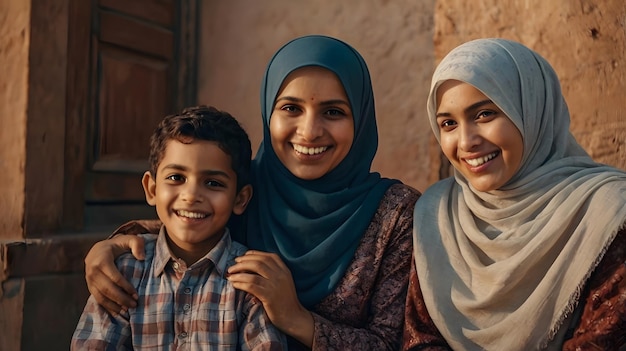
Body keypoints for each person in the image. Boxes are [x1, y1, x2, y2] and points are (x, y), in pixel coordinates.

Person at [82, 35, 421, 350]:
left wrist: (296, 318)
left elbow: (391, 344)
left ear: (360, 119)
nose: (309, 131)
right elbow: (193, 220)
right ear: (268, 112)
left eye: (333, 112)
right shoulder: (247, 186)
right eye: (291, 108)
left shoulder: (395, 214)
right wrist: (113, 245)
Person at [402, 38, 626, 351]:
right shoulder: (436, 215)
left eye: (484, 114)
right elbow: (420, 339)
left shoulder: (608, 212)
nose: (466, 142)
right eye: (449, 123)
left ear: (532, 108)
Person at [72, 106, 286, 350]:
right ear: (151, 189)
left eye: (213, 183)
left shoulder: (249, 284)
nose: (191, 195)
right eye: (176, 178)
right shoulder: (126, 273)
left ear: (240, 199)